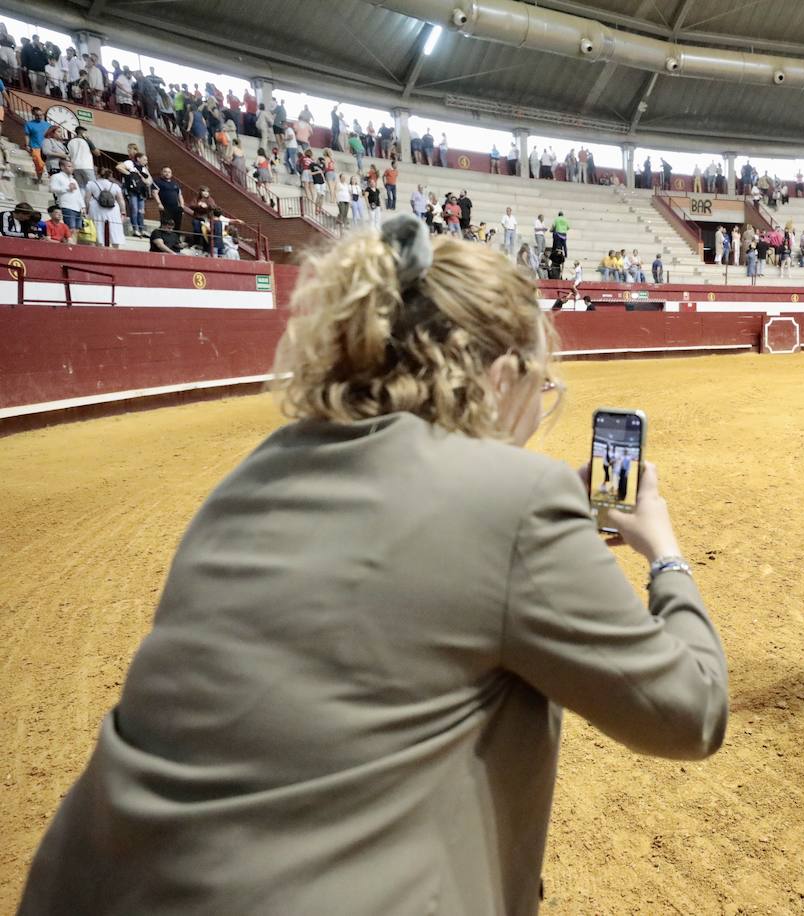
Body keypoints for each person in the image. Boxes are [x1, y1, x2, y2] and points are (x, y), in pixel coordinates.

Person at [18, 215, 729, 915]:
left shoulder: (252, 475)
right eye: (539, 388)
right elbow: (690, 713)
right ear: (503, 373)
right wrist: (664, 554)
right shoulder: (518, 499)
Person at [85, 166, 126, 248]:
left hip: (96, 209)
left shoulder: (91, 184)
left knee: (98, 230)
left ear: (98, 174)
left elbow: (87, 199)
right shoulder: (115, 186)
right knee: (114, 230)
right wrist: (123, 212)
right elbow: (121, 200)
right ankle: (115, 250)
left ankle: (100, 250)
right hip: (113, 210)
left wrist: (87, 210)